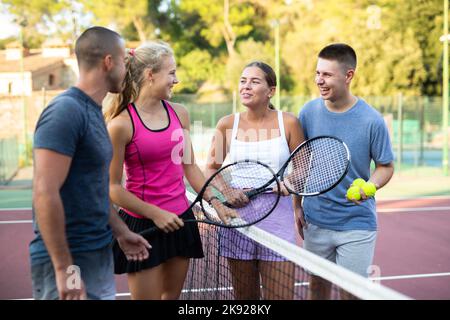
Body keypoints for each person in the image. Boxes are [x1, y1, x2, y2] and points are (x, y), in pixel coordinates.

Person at [30, 26, 151, 300]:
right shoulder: (66, 111)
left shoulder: (94, 112)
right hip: (69, 258)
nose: (126, 70)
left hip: (97, 253)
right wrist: (65, 269)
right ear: (109, 62)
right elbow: (44, 192)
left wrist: (121, 232)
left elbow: (93, 188)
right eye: (123, 62)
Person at [105, 41, 230, 300]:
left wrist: (216, 201)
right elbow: (113, 188)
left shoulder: (180, 114)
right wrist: (156, 214)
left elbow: (190, 168)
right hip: (143, 227)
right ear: (151, 74)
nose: (177, 79)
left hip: (182, 221)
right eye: (171, 72)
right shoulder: (121, 125)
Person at [298, 43, 394, 299]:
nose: (319, 80)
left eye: (327, 75)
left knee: (352, 293)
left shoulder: (372, 120)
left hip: (357, 223)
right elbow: (301, 164)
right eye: (318, 73)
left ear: (349, 75)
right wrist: (297, 205)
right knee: (317, 289)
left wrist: (369, 186)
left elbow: (385, 166)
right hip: (315, 221)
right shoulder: (307, 113)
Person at [206, 61, 305, 299]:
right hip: (237, 221)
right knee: (245, 300)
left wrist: (289, 183)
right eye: (242, 81)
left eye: (254, 81)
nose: (246, 86)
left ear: (270, 91)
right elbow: (210, 168)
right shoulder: (227, 124)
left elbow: (303, 167)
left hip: (277, 221)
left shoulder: (289, 122)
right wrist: (227, 192)